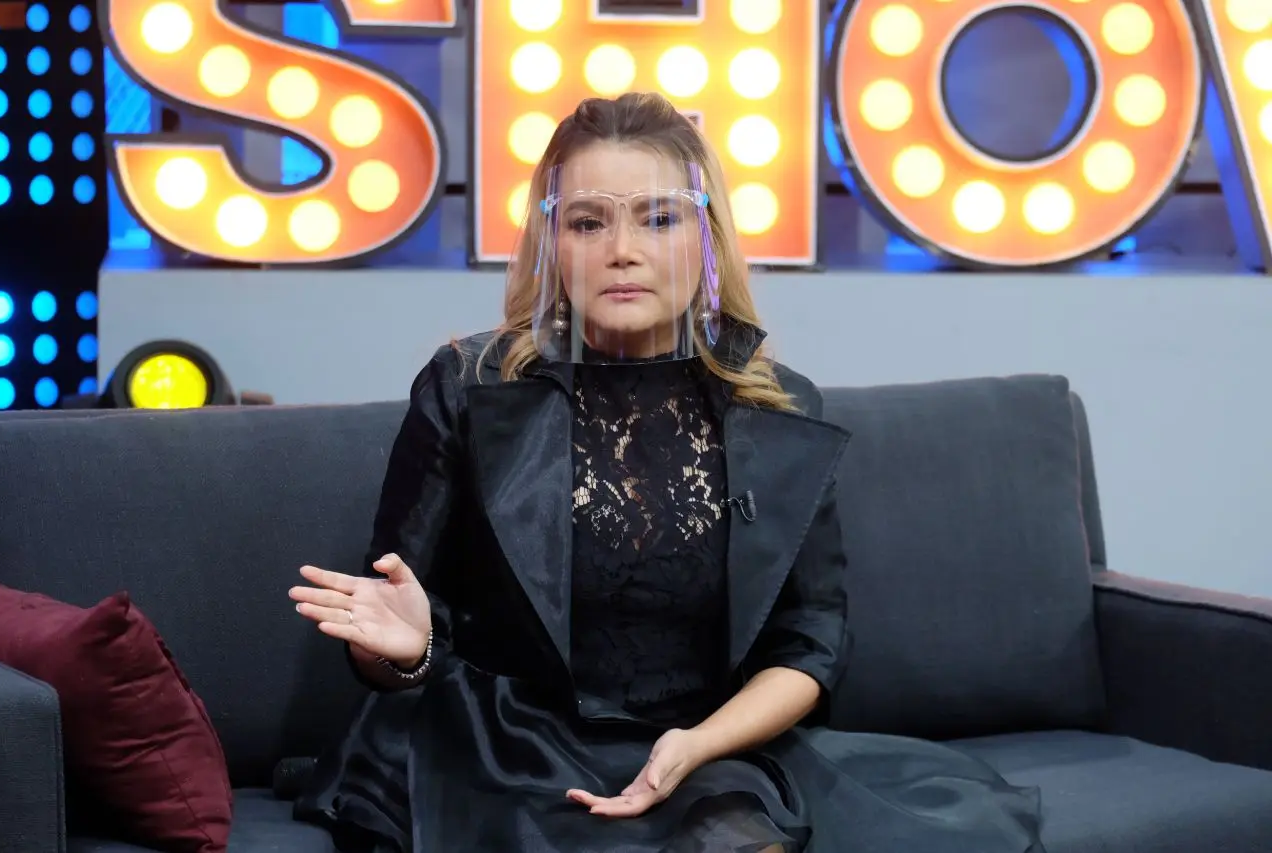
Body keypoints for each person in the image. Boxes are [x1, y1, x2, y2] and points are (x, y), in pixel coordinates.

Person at [288, 92, 1045, 853]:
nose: (623, 249)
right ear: (553, 242)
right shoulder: (466, 385)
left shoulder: (780, 409)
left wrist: (701, 744)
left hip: (700, 747)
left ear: (706, 237)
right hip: (502, 748)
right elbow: (397, 626)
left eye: (658, 218)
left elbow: (809, 646)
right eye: (589, 222)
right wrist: (404, 652)